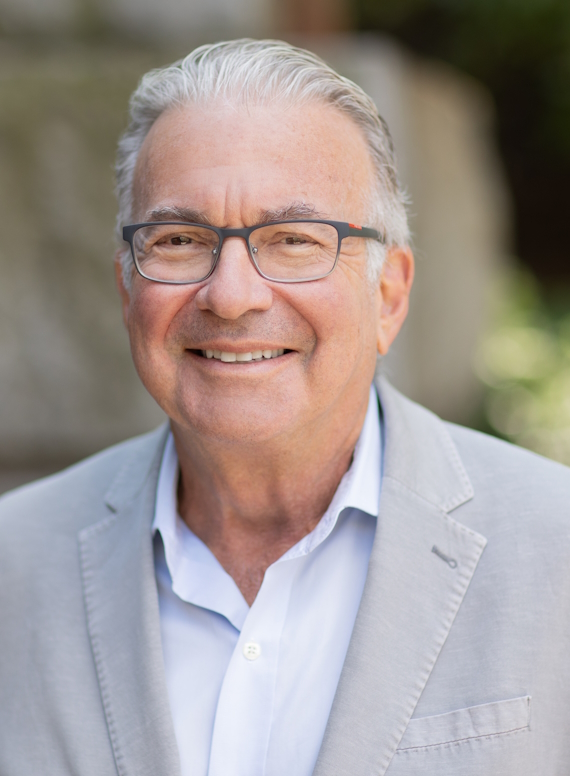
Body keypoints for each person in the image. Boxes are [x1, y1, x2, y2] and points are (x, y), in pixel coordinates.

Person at [1, 38, 570, 776]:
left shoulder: (555, 552)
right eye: (179, 239)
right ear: (126, 289)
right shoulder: (13, 564)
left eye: (294, 240)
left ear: (388, 295)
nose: (231, 295)